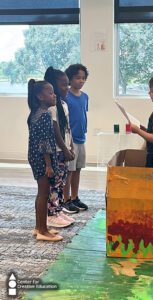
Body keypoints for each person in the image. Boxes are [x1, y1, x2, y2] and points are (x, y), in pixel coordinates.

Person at [27, 79, 63, 242]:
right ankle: (42, 230)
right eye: (50, 93)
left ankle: (39, 226)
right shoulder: (44, 115)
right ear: (40, 96)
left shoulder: (37, 113)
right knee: (44, 193)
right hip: (42, 158)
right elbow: (44, 142)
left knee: (41, 192)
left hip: (37, 156)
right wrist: (48, 164)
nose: (54, 95)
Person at [44, 67, 75, 227]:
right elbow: (56, 131)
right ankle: (51, 214)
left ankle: (59, 209)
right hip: (56, 151)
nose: (67, 88)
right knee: (55, 183)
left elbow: (66, 128)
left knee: (62, 181)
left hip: (64, 149)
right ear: (53, 86)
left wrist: (71, 145)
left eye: (68, 84)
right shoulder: (52, 107)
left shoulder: (62, 103)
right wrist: (64, 148)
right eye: (64, 85)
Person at [63, 64, 89, 212]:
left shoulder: (85, 96)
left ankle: (75, 197)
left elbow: (83, 115)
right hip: (70, 140)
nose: (81, 81)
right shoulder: (66, 96)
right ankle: (66, 200)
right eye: (78, 78)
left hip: (81, 138)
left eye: (83, 78)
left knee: (78, 169)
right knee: (69, 171)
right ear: (70, 79)